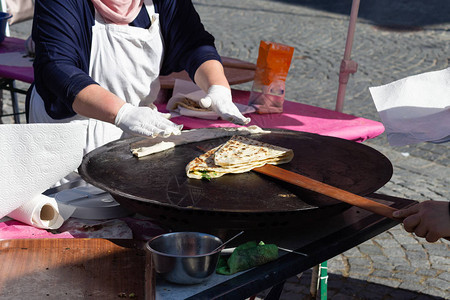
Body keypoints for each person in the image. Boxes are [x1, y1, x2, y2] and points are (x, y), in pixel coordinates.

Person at [28, 0, 250, 155]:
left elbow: (194, 44)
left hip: (137, 132)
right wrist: (123, 112)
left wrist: (218, 87)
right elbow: (57, 68)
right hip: (69, 135)